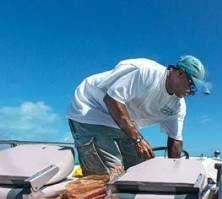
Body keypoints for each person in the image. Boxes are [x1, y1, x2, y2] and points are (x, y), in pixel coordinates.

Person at [67, 56, 210, 175]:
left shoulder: (179, 106)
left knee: (143, 172)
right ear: (179, 73)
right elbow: (112, 100)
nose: (192, 92)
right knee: (110, 178)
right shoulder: (146, 71)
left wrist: (173, 175)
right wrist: (138, 140)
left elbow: (175, 141)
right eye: (192, 86)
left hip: (122, 124)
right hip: (91, 109)